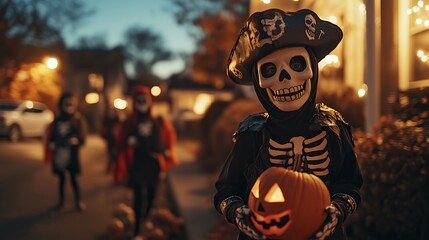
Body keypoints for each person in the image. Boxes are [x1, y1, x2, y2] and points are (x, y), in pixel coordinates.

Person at [213, 9, 363, 240]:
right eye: (270, 70)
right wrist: (238, 213)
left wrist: (338, 210)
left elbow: (349, 183)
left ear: (312, 70)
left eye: (297, 64)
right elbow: (227, 189)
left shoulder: (332, 126)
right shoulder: (252, 132)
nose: (285, 78)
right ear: (259, 83)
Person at [117, 86, 177, 239]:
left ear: (150, 102)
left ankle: (145, 222)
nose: (142, 103)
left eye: (145, 100)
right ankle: (137, 229)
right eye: (139, 100)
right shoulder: (130, 122)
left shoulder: (158, 120)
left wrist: (165, 151)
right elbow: (122, 140)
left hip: (153, 163)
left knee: (152, 195)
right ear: (134, 102)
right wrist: (128, 140)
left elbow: (166, 137)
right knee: (137, 196)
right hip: (138, 163)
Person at [44, 92, 87, 212]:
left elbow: (82, 137)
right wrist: (52, 143)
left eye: (71, 103)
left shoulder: (77, 119)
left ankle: (78, 201)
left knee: (73, 178)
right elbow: (51, 135)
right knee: (61, 178)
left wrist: (77, 140)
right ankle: (61, 201)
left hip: (72, 154)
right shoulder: (57, 120)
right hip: (60, 154)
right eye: (66, 103)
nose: (68, 106)